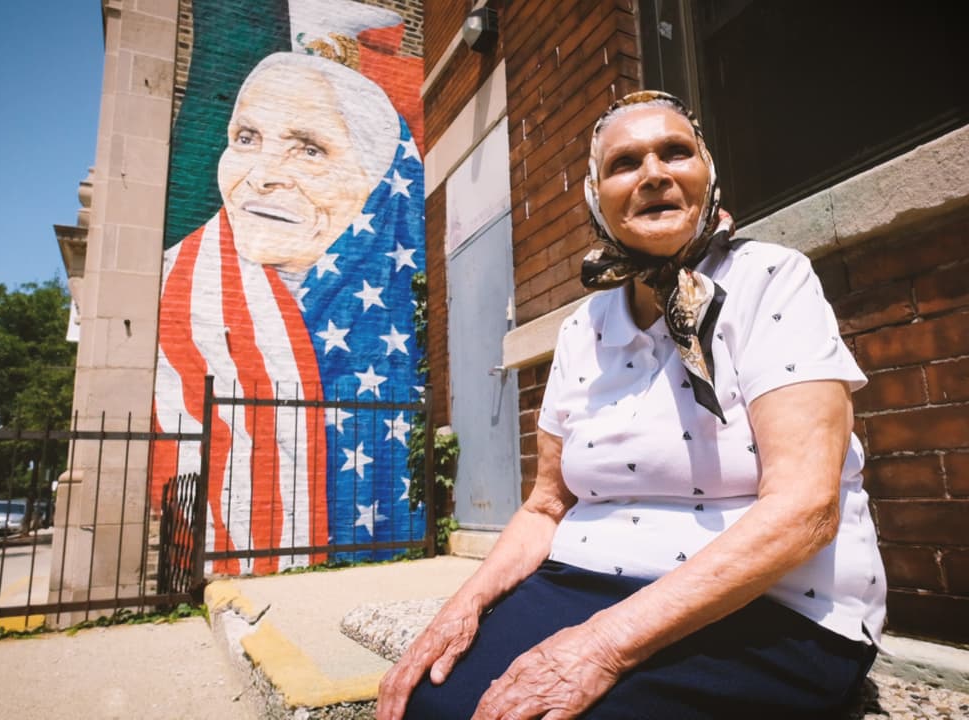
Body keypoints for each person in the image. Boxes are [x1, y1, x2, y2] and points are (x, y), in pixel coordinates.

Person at [377, 91, 886, 719]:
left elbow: (804, 509)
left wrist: (603, 647)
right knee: (435, 705)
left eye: (676, 152)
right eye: (625, 163)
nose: (653, 174)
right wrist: (461, 607)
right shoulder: (581, 329)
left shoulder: (771, 280)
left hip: (770, 604)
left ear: (707, 175)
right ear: (596, 197)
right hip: (587, 578)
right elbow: (546, 507)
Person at [152, 51, 424, 575]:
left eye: (309, 150)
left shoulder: (405, 304)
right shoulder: (174, 284)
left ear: (376, 181)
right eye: (247, 138)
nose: (260, 176)